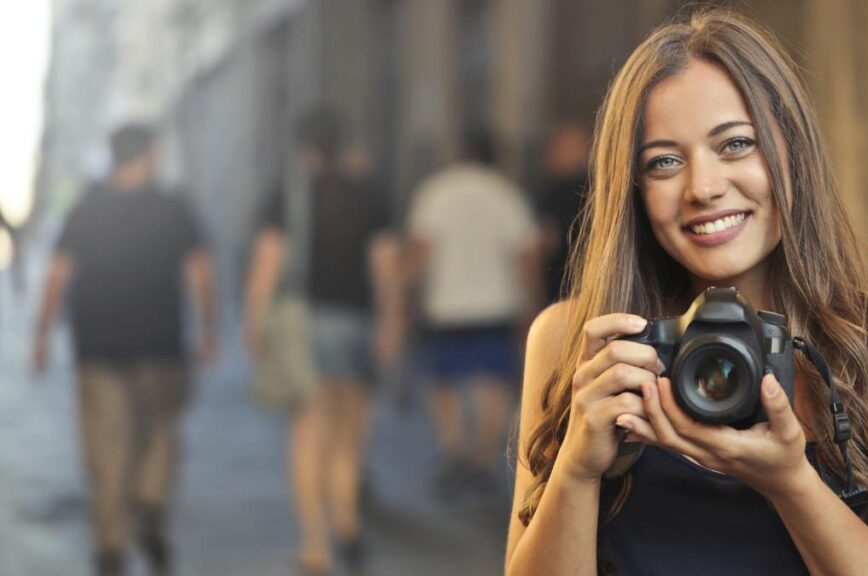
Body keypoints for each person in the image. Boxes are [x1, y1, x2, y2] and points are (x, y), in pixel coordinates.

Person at [506, 9, 868, 576]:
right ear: (633, 189)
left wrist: (791, 482)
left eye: (735, 145)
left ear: (792, 153)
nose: (702, 188)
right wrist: (577, 471)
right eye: (665, 162)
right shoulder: (578, 344)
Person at [32, 123, 216, 576]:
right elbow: (200, 273)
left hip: (99, 349)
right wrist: (209, 328)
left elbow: (58, 273)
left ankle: (111, 543)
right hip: (162, 348)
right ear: (149, 155)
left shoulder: (88, 208)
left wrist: (41, 335)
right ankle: (150, 505)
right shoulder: (174, 207)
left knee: (107, 447)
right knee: (158, 435)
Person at [243, 108, 402, 576]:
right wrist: (392, 324)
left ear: (303, 148)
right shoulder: (370, 195)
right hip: (356, 323)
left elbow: (267, 262)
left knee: (308, 435)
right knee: (350, 436)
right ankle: (347, 521)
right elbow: (386, 264)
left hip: (303, 326)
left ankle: (315, 545)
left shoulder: (287, 195)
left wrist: (253, 321)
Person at [406, 131, 543, 499]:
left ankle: (454, 450)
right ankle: (482, 461)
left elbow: (421, 249)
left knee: (443, 383)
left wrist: (412, 295)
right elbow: (526, 254)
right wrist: (531, 302)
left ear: (461, 152)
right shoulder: (506, 195)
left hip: (445, 304)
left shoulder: (436, 191)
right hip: (495, 304)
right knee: (491, 384)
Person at [536, 121, 590, 304]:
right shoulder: (601, 187)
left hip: (563, 282)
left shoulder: (553, 190)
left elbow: (547, 240)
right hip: (589, 278)